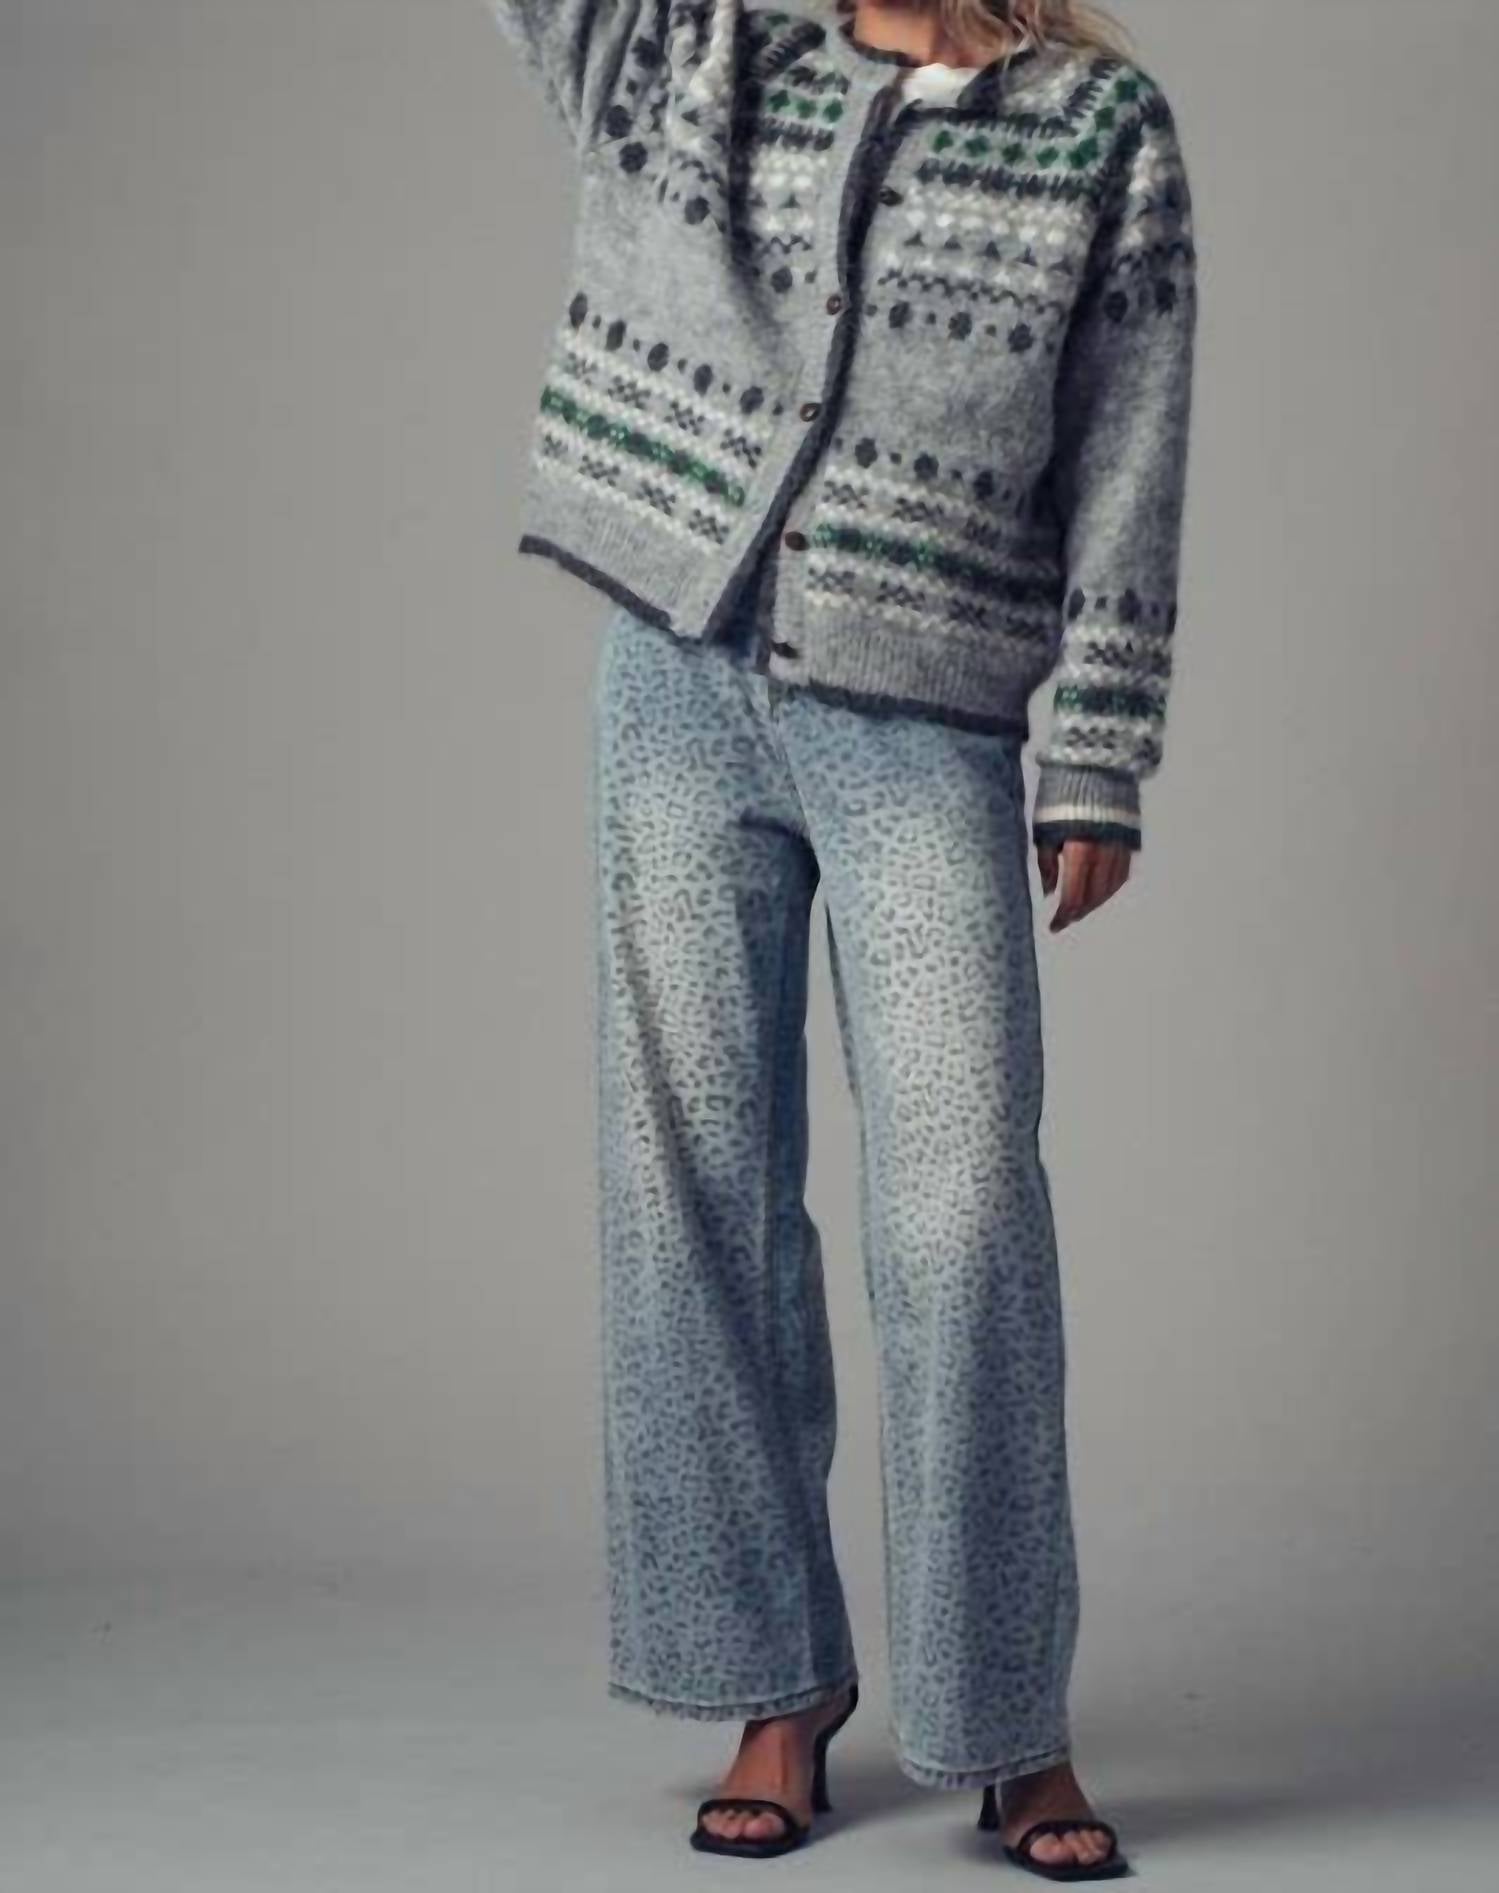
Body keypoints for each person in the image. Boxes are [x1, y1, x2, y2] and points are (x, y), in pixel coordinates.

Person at [484, 0, 1196, 1875]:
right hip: (677, 682)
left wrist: (1100, 746)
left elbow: (1129, 448)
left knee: (962, 1209)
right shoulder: (703, 55)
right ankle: (774, 1684)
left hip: (926, 715)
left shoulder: (1100, 128)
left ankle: (1009, 1720)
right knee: (691, 1191)